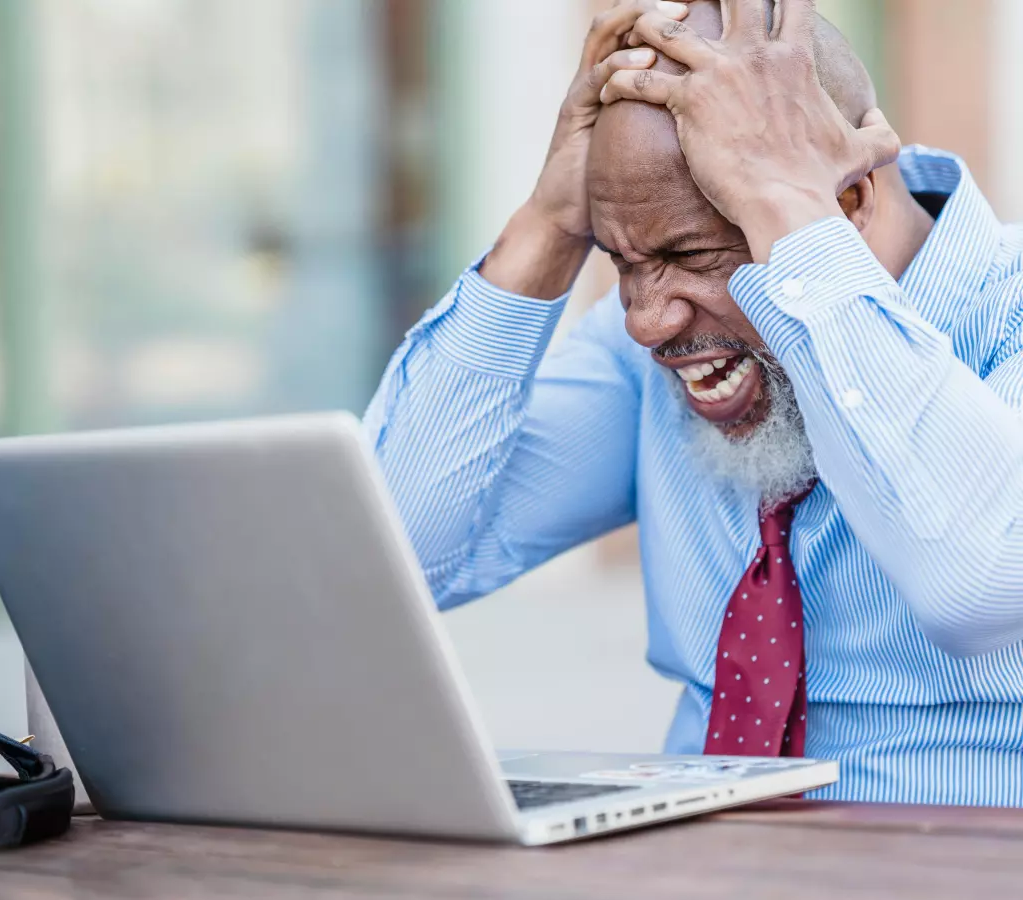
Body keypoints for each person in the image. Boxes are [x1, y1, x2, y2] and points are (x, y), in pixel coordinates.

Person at [363, 0, 1023, 806]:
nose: (648, 321)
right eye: (622, 262)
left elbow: (980, 582)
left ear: (848, 203)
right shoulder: (656, 343)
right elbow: (391, 561)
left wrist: (792, 222)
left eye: (693, 255)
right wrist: (546, 225)